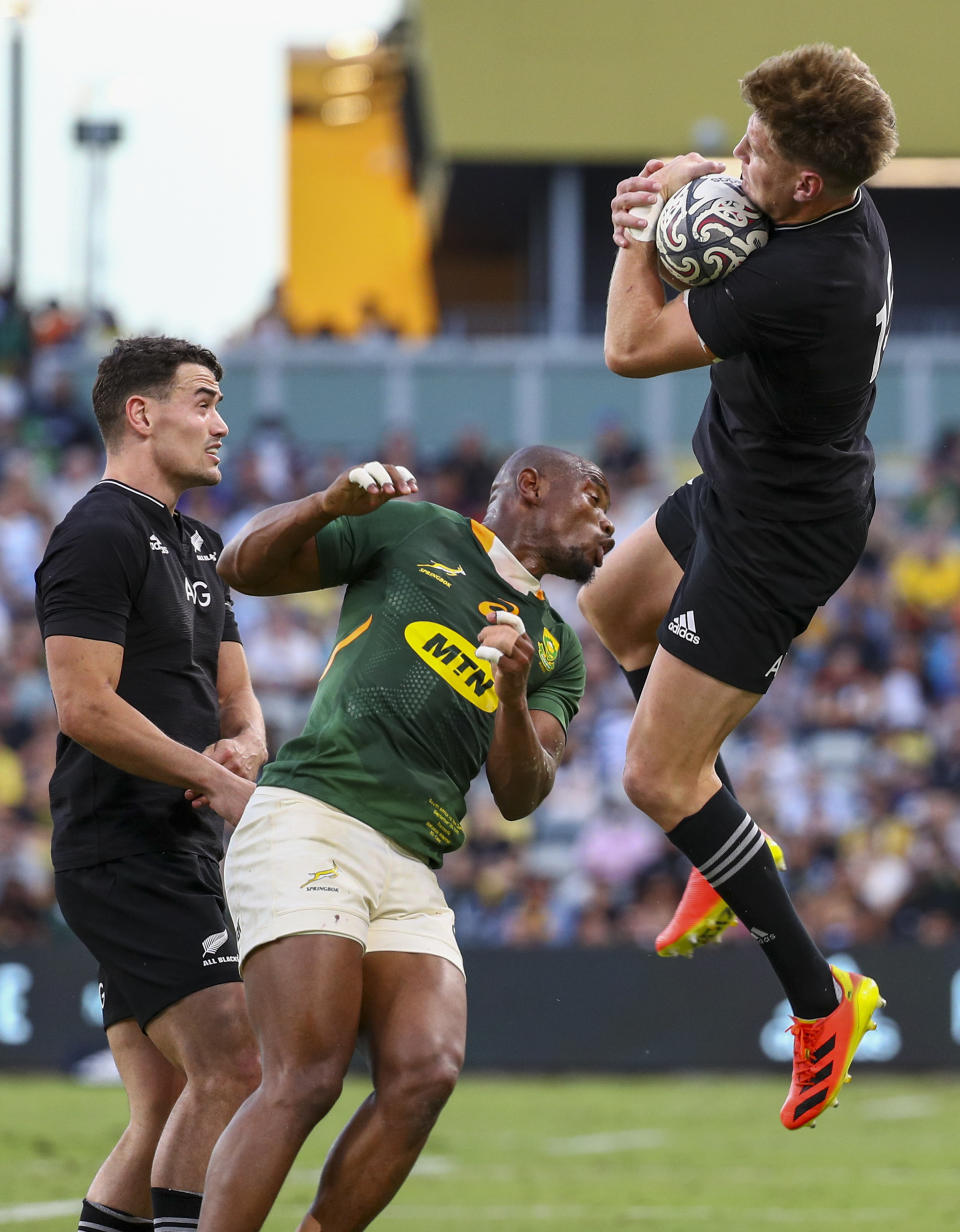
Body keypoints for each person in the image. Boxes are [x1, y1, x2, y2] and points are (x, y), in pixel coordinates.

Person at [578, 44, 897, 1130]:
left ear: (806, 183)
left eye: (759, 147)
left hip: (781, 533)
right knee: (610, 606)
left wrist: (640, 232)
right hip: (743, 480)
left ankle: (822, 1000)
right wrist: (698, 172)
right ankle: (722, 847)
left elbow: (628, 344)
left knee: (654, 779)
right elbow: (738, 185)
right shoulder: (823, 208)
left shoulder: (807, 275)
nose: (739, 152)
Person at [198, 448, 614, 1232]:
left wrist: (514, 693)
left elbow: (522, 794)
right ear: (530, 486)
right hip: (316, 818)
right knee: (306, 1078)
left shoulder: (555, 647)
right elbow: (241, 568)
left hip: (413, 860)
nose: (610, 523)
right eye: (594, 500)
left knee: (426, 1071)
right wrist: (325, 504)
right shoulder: (415, 529)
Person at [34, 337, 267, 1232]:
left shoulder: (201, 544)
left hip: (183, 843)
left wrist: (244, 746)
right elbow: (81, 706)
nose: (221, 425)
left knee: (170, 1098)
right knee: (235, 1063)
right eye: (203, 402)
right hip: (121, 846)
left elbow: (238, 701)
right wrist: (214, 773)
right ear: (142, 414)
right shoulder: (97, 531)